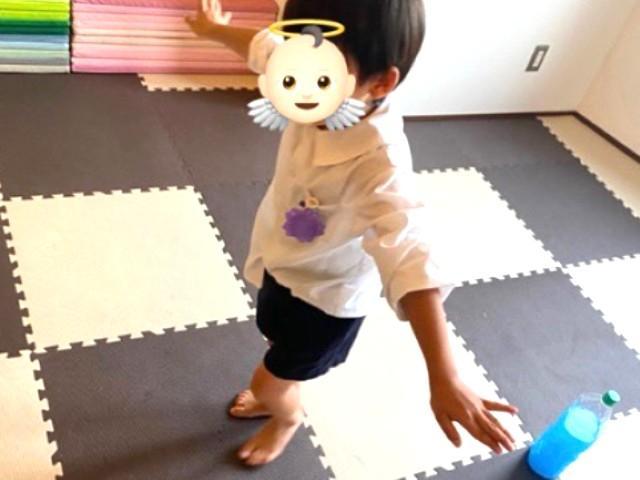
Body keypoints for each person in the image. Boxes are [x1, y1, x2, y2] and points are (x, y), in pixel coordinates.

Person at [186, 0, 519, 467]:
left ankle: (285, 415)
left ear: (379, 83)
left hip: (326, 301)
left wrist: (444, 373)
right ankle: (279, 386)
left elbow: (409, 247)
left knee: (272, 377)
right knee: (274, 334)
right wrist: (215, 30)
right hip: (286, 261)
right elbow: (263, 48)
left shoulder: (379, 161)